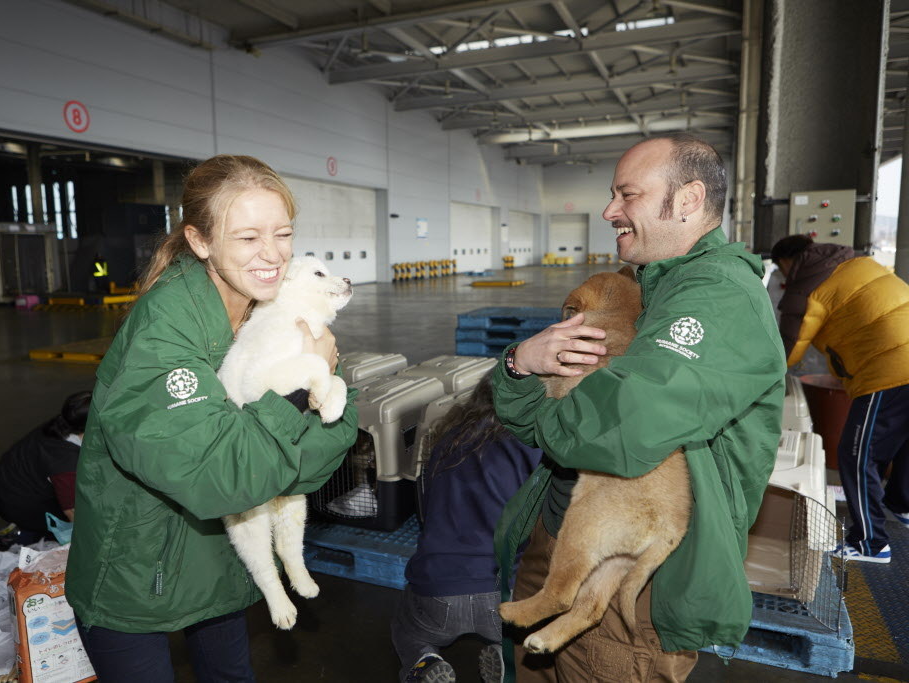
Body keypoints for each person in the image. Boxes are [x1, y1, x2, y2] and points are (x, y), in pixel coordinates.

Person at [491, 133, 787, 681]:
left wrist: (558, 409)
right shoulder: (648, 290)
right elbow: (540, 421)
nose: (609, 211)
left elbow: (618, 432)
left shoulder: (719, 298)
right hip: (564, 537)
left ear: (689, 200)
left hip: (639, 578)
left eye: (627, 195)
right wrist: (519, 365)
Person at [64, 155, 358, 682]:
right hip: (138, 571)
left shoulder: (268, 307)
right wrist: (300, 393)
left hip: (221, 562)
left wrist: (309, 405)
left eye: (283, 233)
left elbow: (333, 442)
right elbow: (222, 478)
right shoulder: (166, 333)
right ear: (201, 242)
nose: (272, 255)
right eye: (247, 238)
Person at [391, 376, 543, 683]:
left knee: (404, 626)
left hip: (437, 591)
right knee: (516, 620)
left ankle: (422, 661)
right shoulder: (534, 446)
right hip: (501, 596)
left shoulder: (447, 441)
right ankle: (504, 653)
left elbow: (425, 512)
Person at [770, 234, 909, 564]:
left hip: (891, 366)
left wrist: (750, 376)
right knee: (904, 441)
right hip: (900, 357)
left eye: (780, 268)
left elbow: (786, 349)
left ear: (788, 261)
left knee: (858, 454)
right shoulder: (855, 262)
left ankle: (869, 543)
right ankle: (901, 505)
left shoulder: (808, 281)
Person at [0, 390, 92, 547]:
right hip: (20, 502)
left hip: (17, 479)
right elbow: (74, 513)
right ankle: (18, 536)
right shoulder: (65, 463)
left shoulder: (66, 423)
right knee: (86, 518)